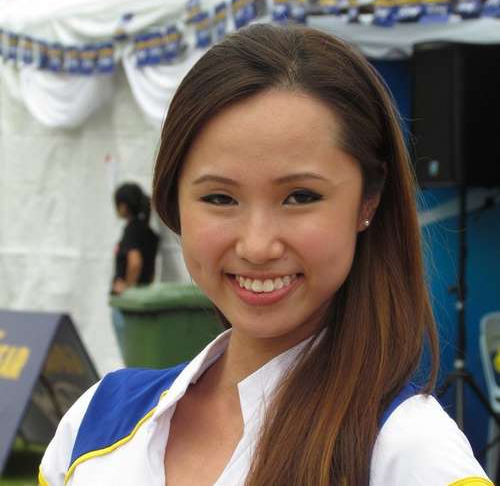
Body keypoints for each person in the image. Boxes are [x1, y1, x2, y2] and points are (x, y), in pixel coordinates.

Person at [39, 24, 492, 486]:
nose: (257, 246)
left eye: (300, 196)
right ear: (173, 199)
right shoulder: (93, 424)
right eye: (219, 198)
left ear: (368, 201)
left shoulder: (407, 451)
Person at [110, 182, 159, 356]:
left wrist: (128, 290)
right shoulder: (149, 232)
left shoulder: (132, 231)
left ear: (123, 206)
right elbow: (151, 269)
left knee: (129, 352)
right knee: (141, 351)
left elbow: (135, 262)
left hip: (127, 304)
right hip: (143, 300)